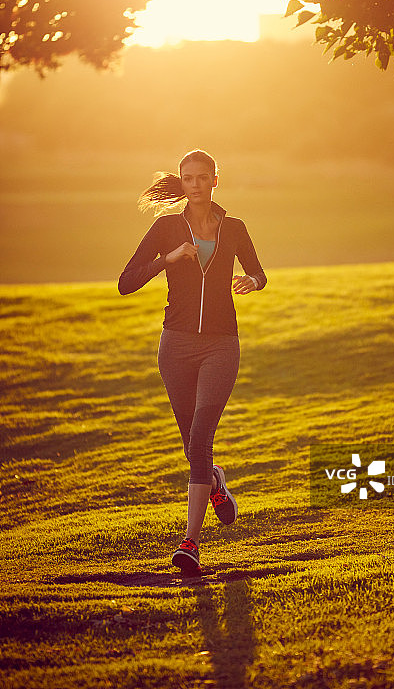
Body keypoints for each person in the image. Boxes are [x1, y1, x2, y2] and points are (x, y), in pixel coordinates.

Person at [118, 149, 266, 575]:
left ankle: (191, 543)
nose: (195, 184)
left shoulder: (234, 228)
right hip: (176, 347)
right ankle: (215, 481)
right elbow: (126, 282)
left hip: (221, 345)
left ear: (215, 180)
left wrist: (251, 281)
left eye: (203, 177)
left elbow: (260, 273)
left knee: (200, 440)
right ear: (181, 183)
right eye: (188, 178)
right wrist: (167, 259)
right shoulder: (166, 229)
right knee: (192, 448)